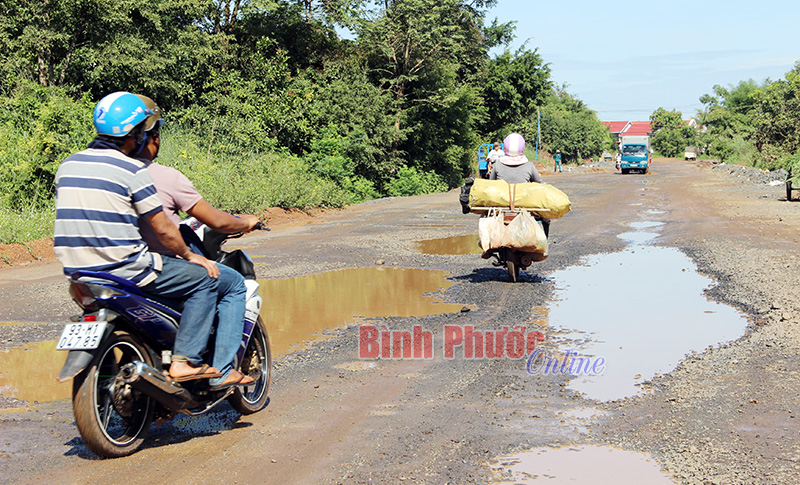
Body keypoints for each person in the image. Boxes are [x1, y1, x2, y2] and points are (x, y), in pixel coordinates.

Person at [54, 91, 222, 383]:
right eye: (144, 129)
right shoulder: (131, 169)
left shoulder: (68, 165)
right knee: (205, 280)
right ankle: (186, 360)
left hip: (78, 274)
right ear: (136, 133)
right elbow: (164, 229)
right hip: (125, 268)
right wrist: (190, 256)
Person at [134, 94, 258, 390]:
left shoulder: (108, 175)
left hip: (112, 264)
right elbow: (216, 221)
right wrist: (246, 222)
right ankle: (223, 368)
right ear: (151, 138)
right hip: (157, 264)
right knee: (230, 283)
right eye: (156, 135)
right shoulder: (164, 176)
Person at [489, 132, 550, 236]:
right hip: (524, 204)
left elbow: (491, 185)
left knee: (485, 216)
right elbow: (539, 183)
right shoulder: (529, 165)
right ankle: (545, 247)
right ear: (522, 148)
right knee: (547, 220)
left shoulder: (498, 165)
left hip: (502, 204)